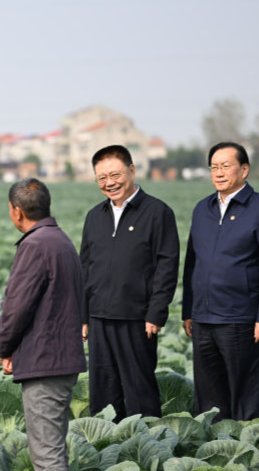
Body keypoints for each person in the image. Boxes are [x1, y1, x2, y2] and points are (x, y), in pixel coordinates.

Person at [182, 141, 259, 421]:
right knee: (208, 394)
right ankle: (213, 443)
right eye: (214, 167)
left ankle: (248, 443)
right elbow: (192, 262)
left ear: (244, 169)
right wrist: (188, 311)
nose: (219, 172)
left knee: (244, 392)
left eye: (225, 166)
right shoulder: (202, 209)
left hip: (240, 317)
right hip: (203, 318)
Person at [0, 178, 86, 471]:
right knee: (54, 446)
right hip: (64, 359)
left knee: (46, 452)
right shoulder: (61, 239)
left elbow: (15, 307)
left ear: (16, 211)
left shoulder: (34, 245)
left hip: (43, 361)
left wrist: (5, 349)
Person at [79, 145, 179, 421]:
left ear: (132, 171)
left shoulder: (158, 212)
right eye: (101, 178)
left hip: (137, 318)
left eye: (115, 174)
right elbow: (84, 268)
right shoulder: (94, 216)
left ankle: (146, 445)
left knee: (139, 389)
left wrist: (156, 312)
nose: (109, 183)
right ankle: (106, 448)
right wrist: (83, 315)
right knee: (102, 389)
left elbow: (166, 267)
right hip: (98, 317)